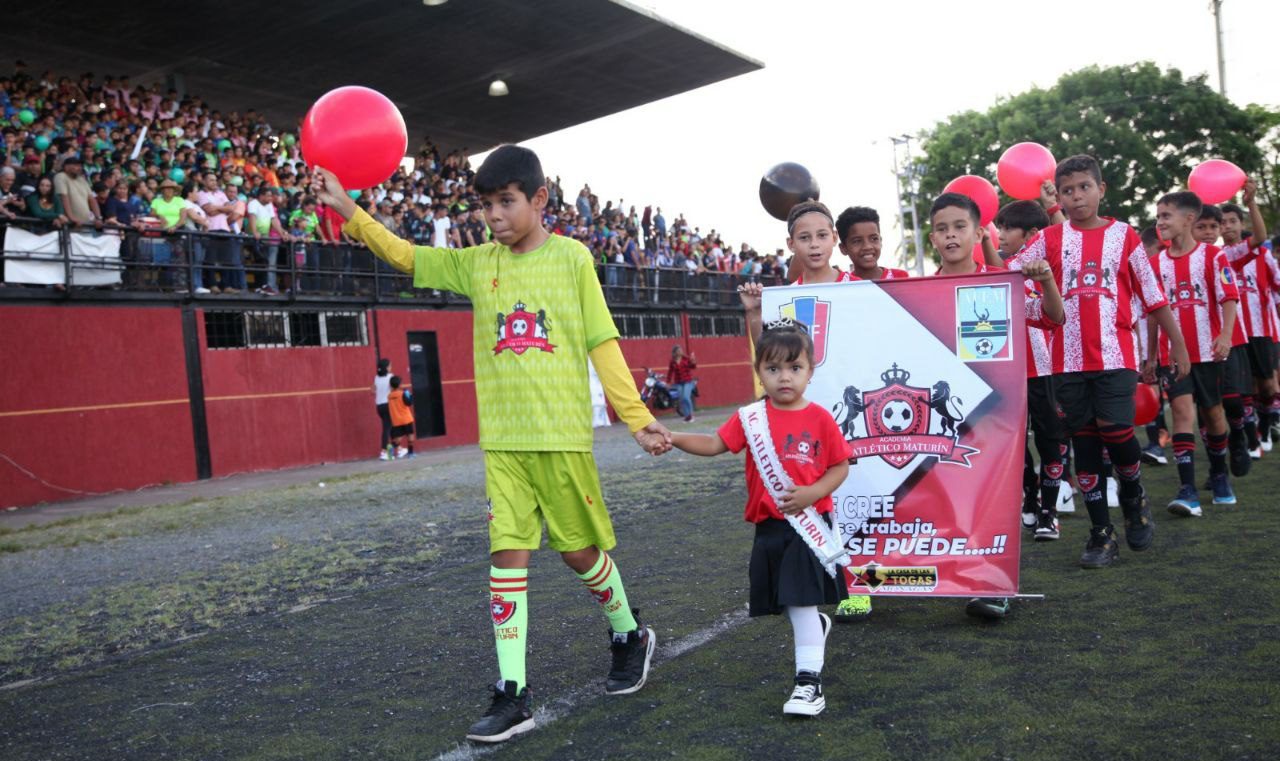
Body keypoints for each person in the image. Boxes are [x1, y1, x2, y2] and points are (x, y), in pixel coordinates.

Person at [310, 144, 672, 744]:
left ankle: (629, 633)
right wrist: (349, 206)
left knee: (578, 554)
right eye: (486, 205)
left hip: (560, 443)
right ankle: (512, 692)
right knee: (507, 558)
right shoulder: (477, 264)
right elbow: (407, 255)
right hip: (502, 445)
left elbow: (602, 343)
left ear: (538, 200)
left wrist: (637, 419)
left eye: (506, 202)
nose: (494, 216)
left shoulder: (573, 259)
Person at [1009, 155, 1190, 569]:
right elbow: (1010, 273)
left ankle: (1132, 491)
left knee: (1116, 430)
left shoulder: (1124, 236)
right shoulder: (1050, 240)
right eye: (1067, 190)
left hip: (1115, 356)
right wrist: (1030, 273)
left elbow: (1153, 295)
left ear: (1101, 189)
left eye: (1084, 187)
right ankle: (1100, 534)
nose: (1076, 197)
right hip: (1066, 362)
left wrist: (1175, 346)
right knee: (1085, 442)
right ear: (1059, 196)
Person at [669, 322, 850, 716]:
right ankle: (815, 631)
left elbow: (839, 467)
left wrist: (814, 492)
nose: (784, 376)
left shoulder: (820, 418)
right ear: (759, 371)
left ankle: (809, 684)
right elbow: (715, 444)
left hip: (809, 526)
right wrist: (673, 437)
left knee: (800, 603)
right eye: (773, 369)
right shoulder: (750, 417)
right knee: (786, 602)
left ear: (810, 370)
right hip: (768, 527)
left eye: (794, 367)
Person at [1146, 191, 1240, 515]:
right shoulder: (1155, 263)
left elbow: (1229, 297)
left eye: (1165, 216)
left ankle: (1219, 474)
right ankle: (1187, 490)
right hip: (1173, 357)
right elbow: (1154, 313)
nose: (1160, 222)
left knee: (1214, 415)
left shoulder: (1213, 256)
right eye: (1157, 217)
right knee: (1182, 413)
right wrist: (1150, 355)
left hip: (1209, 352)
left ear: (1188, 219)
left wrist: (1225, 335)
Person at [994, 199, 1075, 538]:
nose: (999, 235)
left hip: (1045, 367)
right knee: (1013, 443)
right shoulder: (999, 268)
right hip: (1006, 370)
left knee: (1051, 439)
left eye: (1006, 229)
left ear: (1031, 234)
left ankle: (1049, 510)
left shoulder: (1050, 265)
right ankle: (1029, 495)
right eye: (997, 228)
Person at [1189, 203, 1253, 479]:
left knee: (1233, 401)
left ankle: (1238, 438)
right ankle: (1218, 467)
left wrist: (1225, 334)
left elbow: (1229, 297)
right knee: (1206, 409)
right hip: (1196, 347)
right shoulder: (1176, 259)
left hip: (1229, 341)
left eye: (1213, 227)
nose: (1208, 233)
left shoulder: (1222, 256)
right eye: (1201, 227)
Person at [834, 206, 910, 281]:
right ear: (843, 248)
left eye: (874, 239)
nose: (867, 246)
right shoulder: (842, 284)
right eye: (857, 241)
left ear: (880, 241)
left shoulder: (900, 278)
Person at [667, 344, 698, 422]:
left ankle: (691, 415)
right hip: (678, 382)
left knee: (686, 397)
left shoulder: (686, 359)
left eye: (681, 350)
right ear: (675, 352)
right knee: (682, 399)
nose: (680, 351)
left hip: (688, 381)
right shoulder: (672, 361)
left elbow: (693, 367)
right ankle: (687, 416)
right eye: (678, 350)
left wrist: (693, 360)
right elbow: (670, 372)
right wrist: (668, 382)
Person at [387, 374, 415, 458]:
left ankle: (389, 449)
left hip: (396, 421)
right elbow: (409, 403)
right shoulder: (402, 394)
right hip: (406, 419)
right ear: (400, 385)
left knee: (397, 439)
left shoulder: (389, 396)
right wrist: (410, 395)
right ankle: (411, 453)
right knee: (410, 437)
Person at [374, 358, 394, 460]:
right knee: (386, 429)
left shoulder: (376, 378)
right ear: (386, 368)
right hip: (387, 405)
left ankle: (391, 452)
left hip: (379, 406)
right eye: (390, 366)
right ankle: (383, 451)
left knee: (389, 428)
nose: (391, 367)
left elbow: (373, 390)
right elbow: (393, 389)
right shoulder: (391, 377)